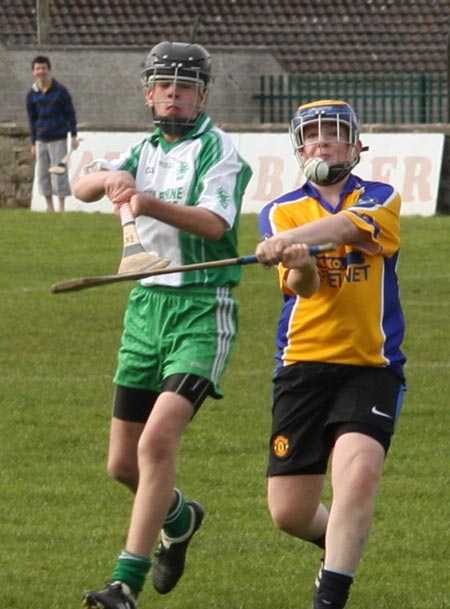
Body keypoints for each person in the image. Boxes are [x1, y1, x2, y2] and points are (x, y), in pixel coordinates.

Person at [73, 41, 252, 609]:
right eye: (164, 88)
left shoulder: (220, 151)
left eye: (185, 89)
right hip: (145, 308)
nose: (173, 98)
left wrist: (146, 203)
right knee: (121, 464)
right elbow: (82, 188)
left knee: (156, 442)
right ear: (149, 93)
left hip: (201, 308)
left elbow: (214, 219)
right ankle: (180, 516)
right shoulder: (143, 148)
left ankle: (124, 584)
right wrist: (106, 181)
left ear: (202, 95)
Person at [255, 99, 406, 609]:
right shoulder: (279, 211)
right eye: (312, 135)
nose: (323, 143)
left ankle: (332, 596)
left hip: (369, 365)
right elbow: (306, 287)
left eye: (333, 134)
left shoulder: (381, 197)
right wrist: (296, 260)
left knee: (358, 473)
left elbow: (347, 231)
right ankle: (338, 544)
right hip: (302, 365)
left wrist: (289, 241)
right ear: (299, 148)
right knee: (290, 512)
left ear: (356, 145)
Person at [26, 55, 80, 212]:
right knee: (43, 174)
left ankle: (61, 207)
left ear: (49, 70)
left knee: (59, 173)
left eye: (43, 68)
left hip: (59, 137)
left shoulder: (61, 91)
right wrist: (33, 143)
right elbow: (32, 120)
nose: (41, 72)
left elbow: (70, 115)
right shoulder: (31, 94)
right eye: (37, 69)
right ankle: (49, 207)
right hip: (41, 139)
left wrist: (74, 135)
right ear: (33, 72)